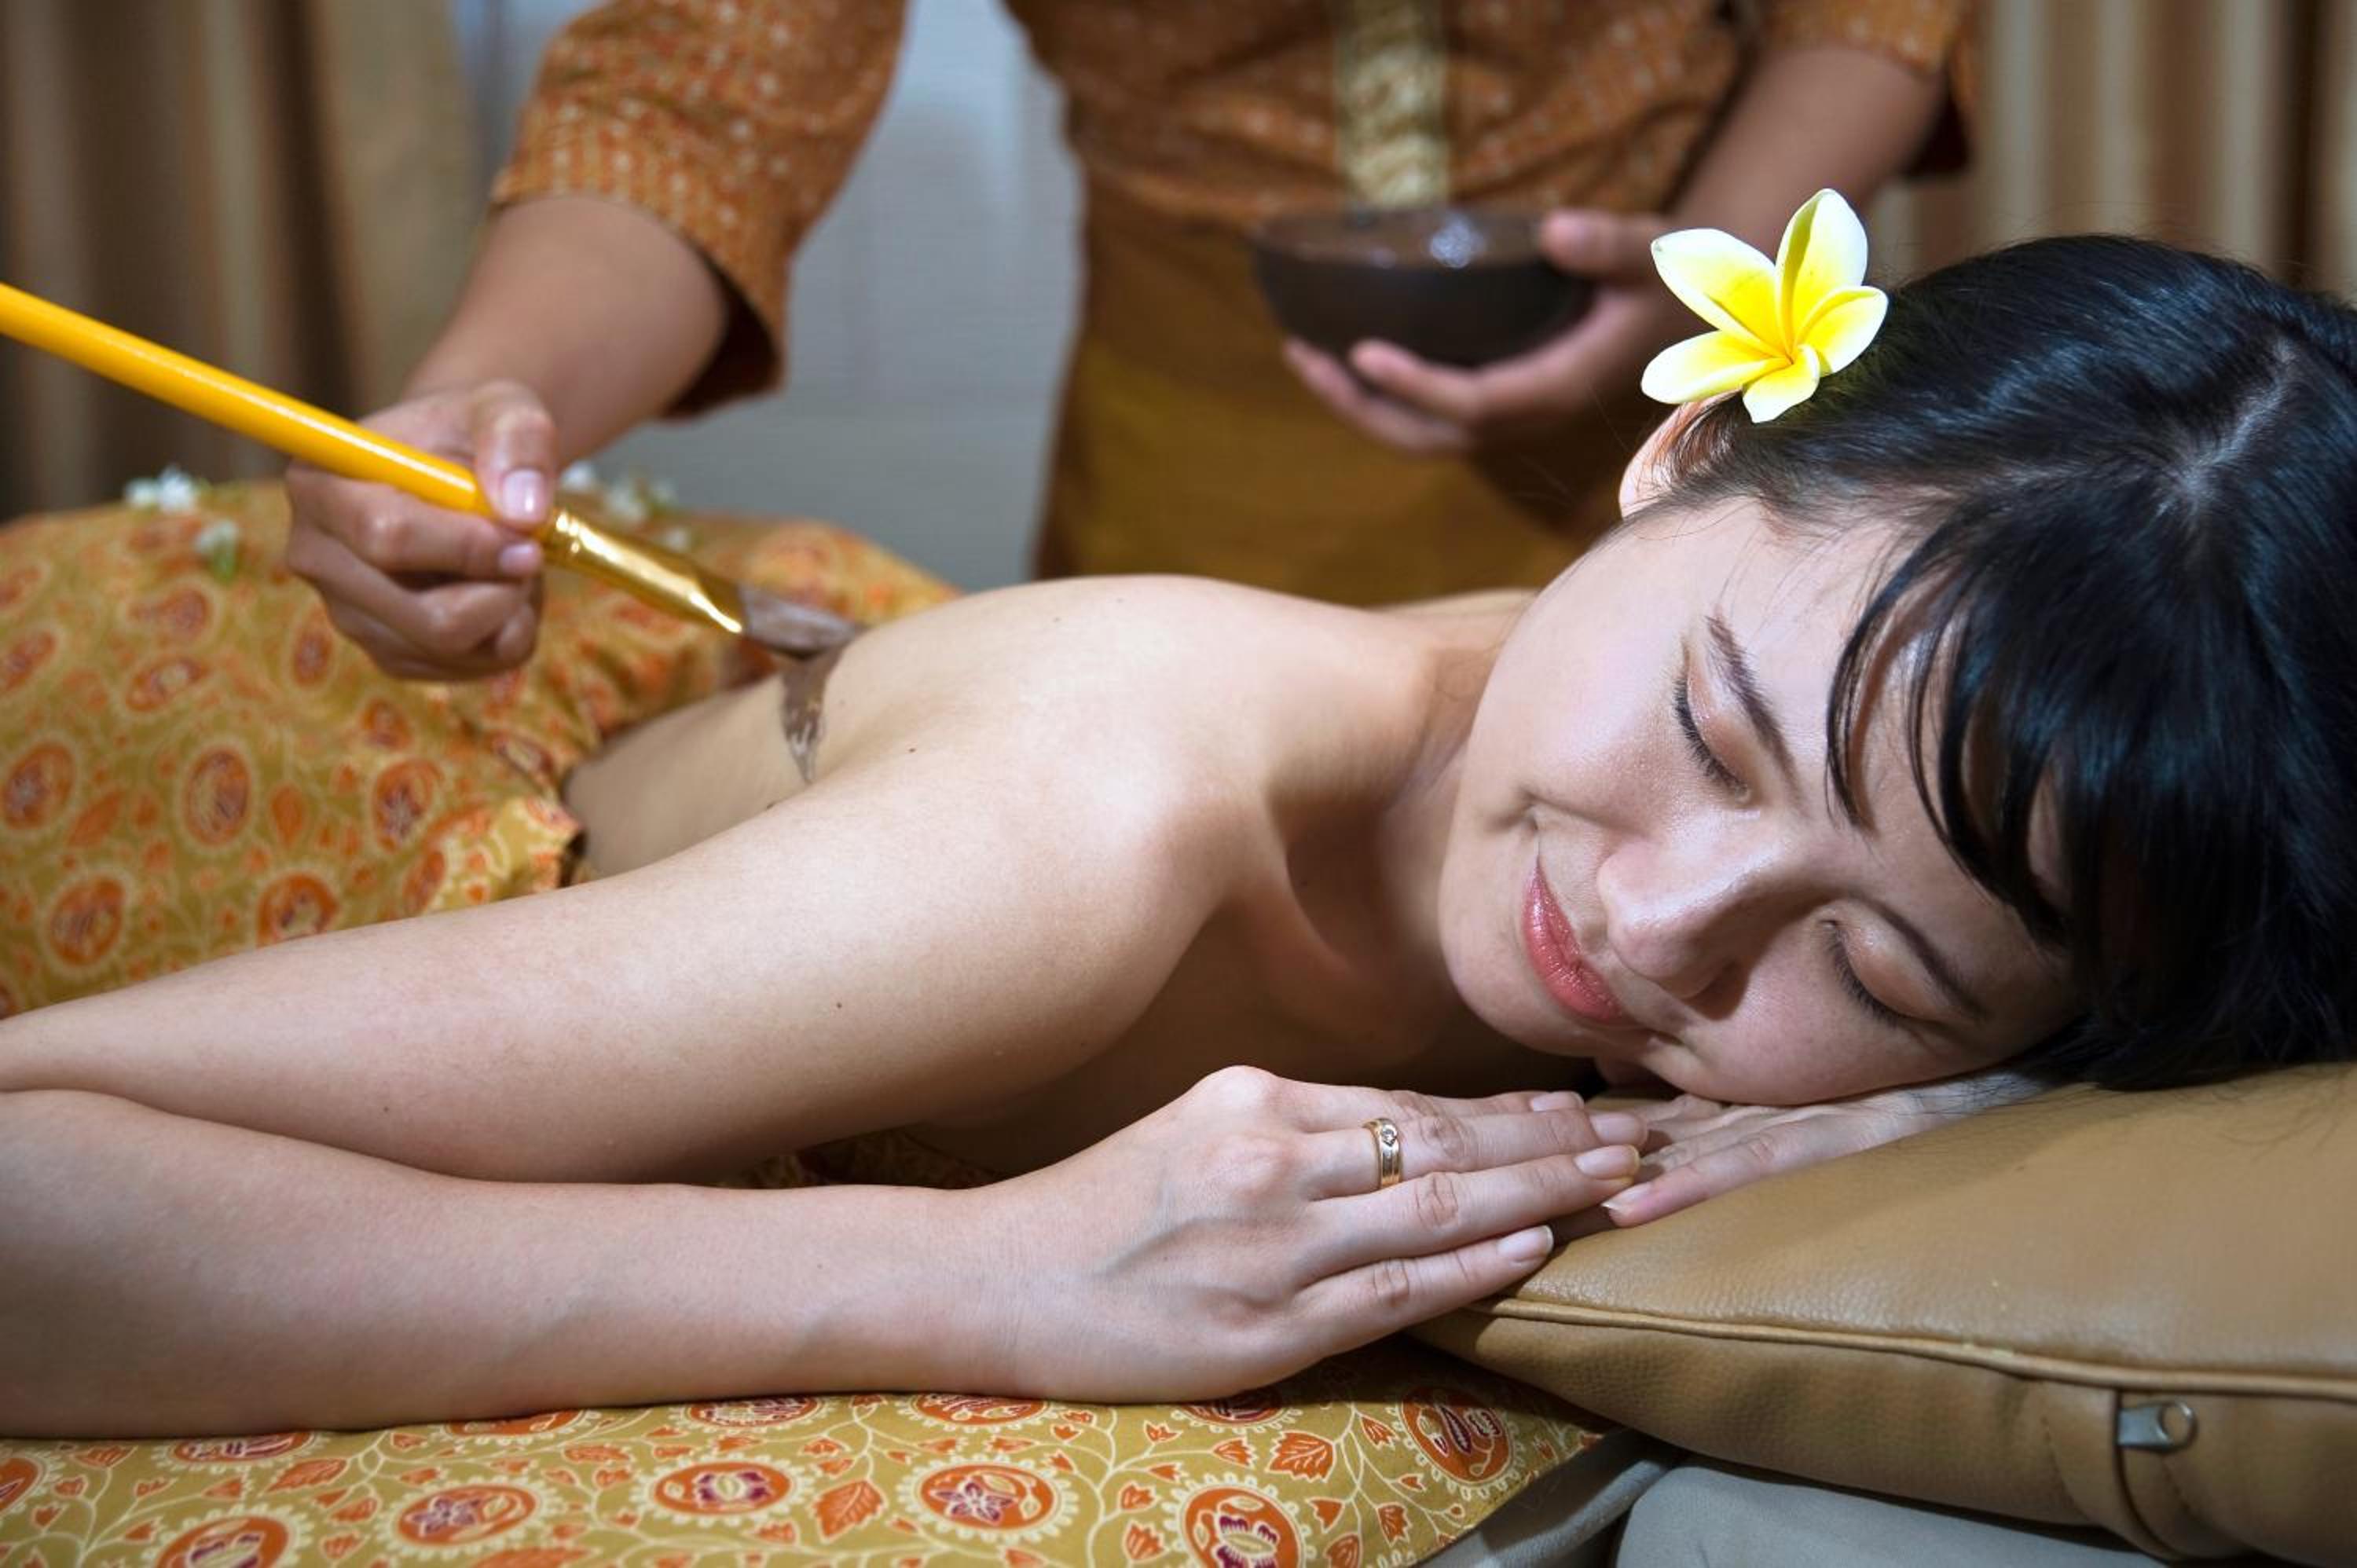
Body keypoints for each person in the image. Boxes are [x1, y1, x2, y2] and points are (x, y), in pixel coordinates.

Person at [6, 229, 2355, 1442]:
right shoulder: (1081, 842)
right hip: (337, 737)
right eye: (1713, 739)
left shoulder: (1864, 751)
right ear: (1678, 454)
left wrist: (1970, 1109)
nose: (1658, 928)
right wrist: (983, 1278)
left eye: (1877, 967)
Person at [284, 0, 1972, 679]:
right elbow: (698, 91)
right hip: (1199, 474)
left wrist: (1697, 276)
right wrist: (489, 398)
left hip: (1698, 410)